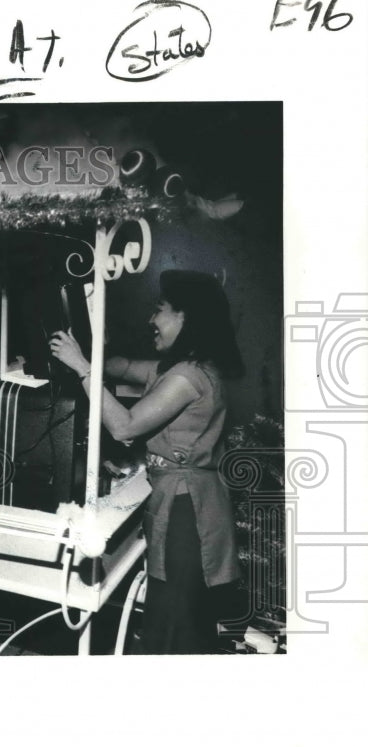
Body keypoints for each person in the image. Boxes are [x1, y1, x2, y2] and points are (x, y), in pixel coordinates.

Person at [50, 270, 244, 654]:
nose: (151, 321)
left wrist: (81, 367)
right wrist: (92, 348)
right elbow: (121, 366)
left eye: (159, 311)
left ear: (185, 318)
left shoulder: (189, 377)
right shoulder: (177, 369)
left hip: (187, 510)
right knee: (176, 612)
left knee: (174, 616)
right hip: (181, 500)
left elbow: (125, 427)